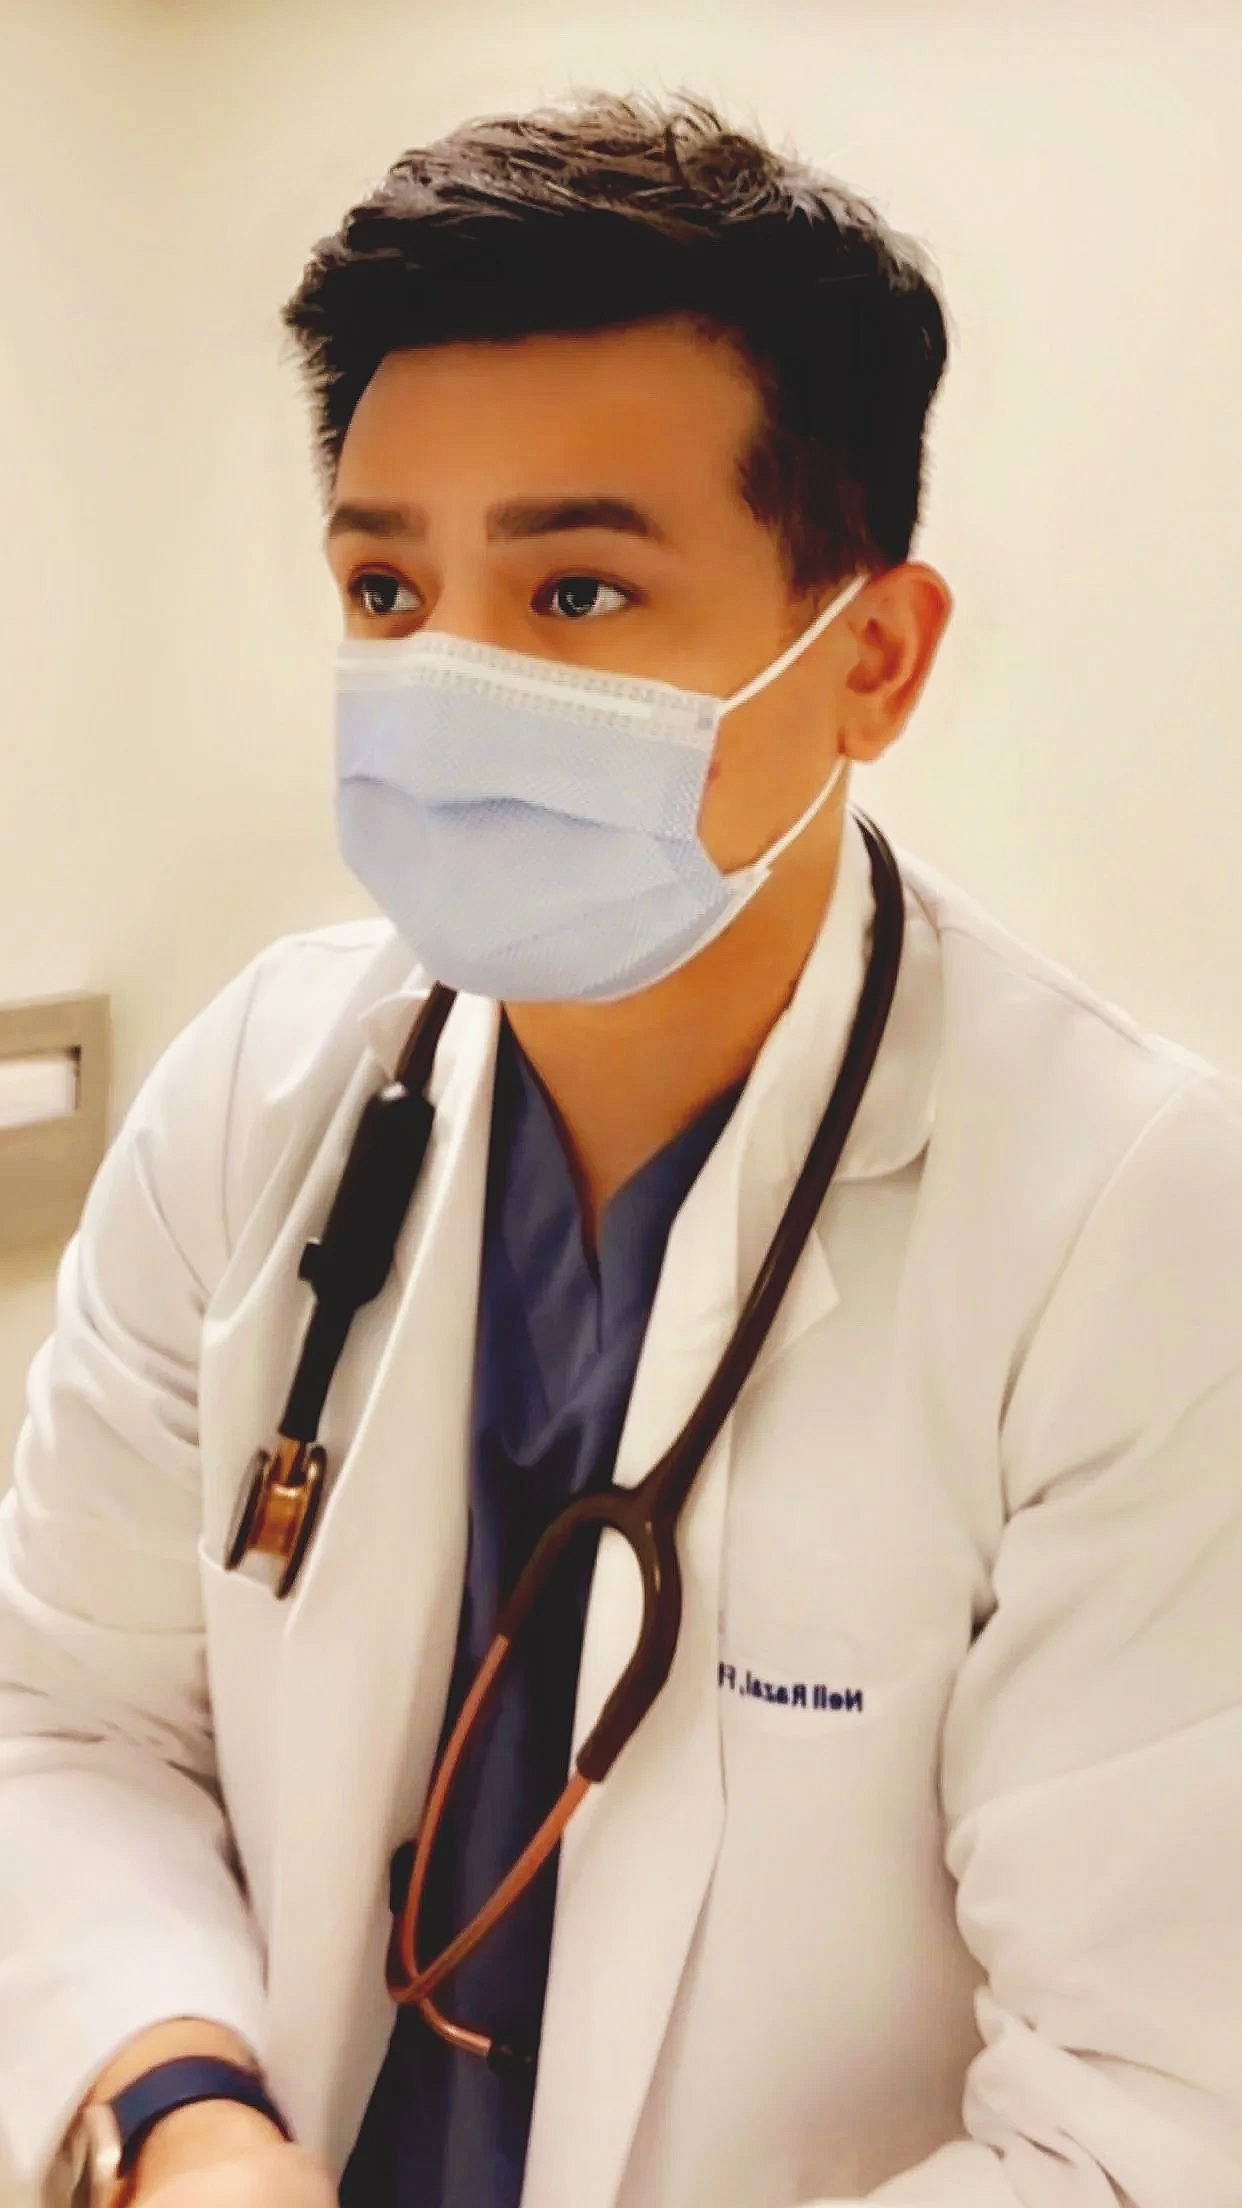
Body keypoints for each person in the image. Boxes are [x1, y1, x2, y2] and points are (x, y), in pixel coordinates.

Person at [2, 84, 1241, 2208]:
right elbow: (63, 1727)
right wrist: (178, 2118)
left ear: (869, 661)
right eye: (386, 589)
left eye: (576, 592)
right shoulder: (260, 1091)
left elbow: (1146, 2123)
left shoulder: (1129, 1224)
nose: (446, 683)